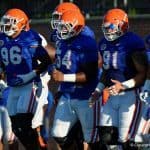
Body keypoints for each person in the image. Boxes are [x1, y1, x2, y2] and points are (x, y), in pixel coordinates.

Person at [89, 8, 148, 150]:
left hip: (131, 96)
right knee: (106, 136)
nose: (108, 31)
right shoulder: (104, 43)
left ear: (123, 25)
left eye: (112, 27)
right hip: (112, 95)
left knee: (126, 140)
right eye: (106, 28)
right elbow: (106, 72)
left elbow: (143, 73)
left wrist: (123, 85)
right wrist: (98, 90)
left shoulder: (132, 43)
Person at [0, 8, 52, 150]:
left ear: (22, 24)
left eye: (11, 23)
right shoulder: (2, 38)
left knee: (24, 122)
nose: (7, 26)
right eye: (6, 23)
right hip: (13, 87)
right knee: (17, 129)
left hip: (30, 85)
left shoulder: (30, 37)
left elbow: (47, 61)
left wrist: (28, 76)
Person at [50, 9, 99, 150]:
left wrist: (63, 77)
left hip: (85, 97)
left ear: (77, 27)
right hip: (67, 95)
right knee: (59, 135)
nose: (62, 30)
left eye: (66, 26)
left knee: (91, 139)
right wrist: (60, 87)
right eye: (61, 26)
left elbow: (89, 75)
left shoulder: (87, 43)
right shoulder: (63, 43)